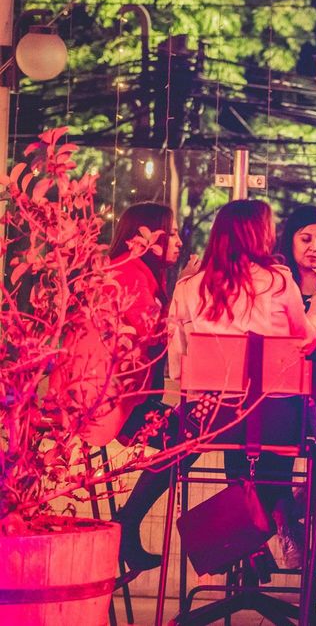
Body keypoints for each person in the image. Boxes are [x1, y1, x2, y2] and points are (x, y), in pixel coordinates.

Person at [168, 199, 316, 569]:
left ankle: (248, 542)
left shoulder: (190, 286)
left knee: (239, 425)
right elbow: (305, 340)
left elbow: (178, 368)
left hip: (214, 420)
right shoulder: (279, 281)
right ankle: (279, 516)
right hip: (277, 421)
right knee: (283, 415)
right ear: (259, 234)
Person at [79, 202, 192, 574]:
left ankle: (127, 522)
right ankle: (127, 523)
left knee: (189, 436)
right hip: (116, 402)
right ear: (143, 239)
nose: (178, 241)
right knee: (189, 439)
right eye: (170, 233)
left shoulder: (136, 273)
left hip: (124, 399)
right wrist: (186, 291)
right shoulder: (129, 273)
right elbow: (154, 336)